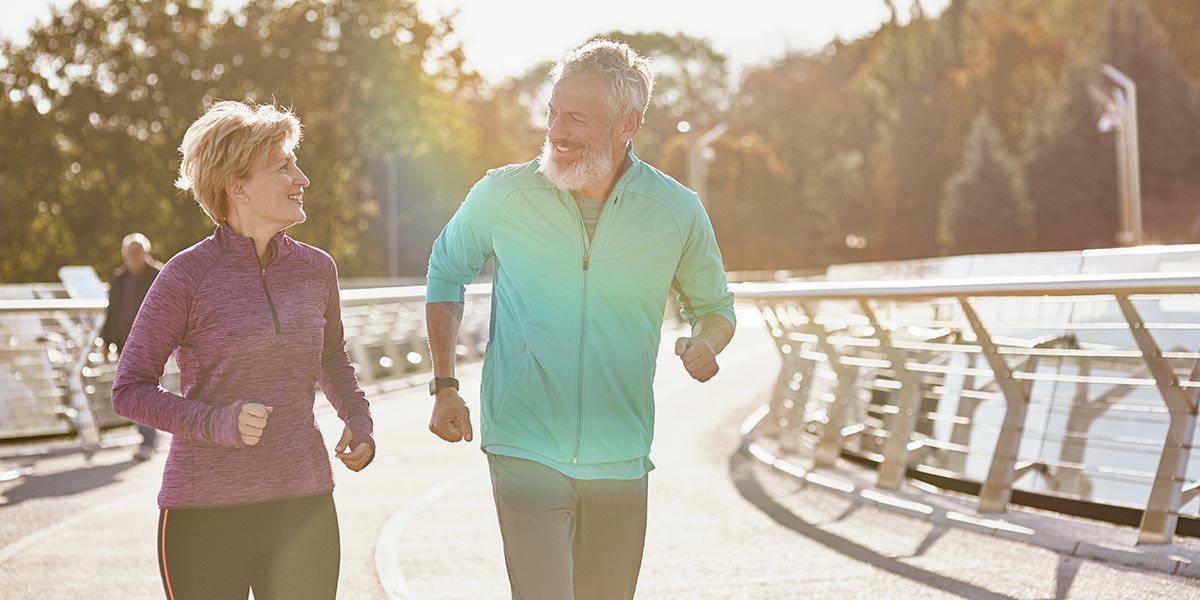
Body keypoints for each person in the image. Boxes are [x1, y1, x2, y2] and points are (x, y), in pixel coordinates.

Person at [425, 39, 736, 600]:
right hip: (523, 443)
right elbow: (445, 271)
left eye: (576, 116)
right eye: (552, 111)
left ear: (628, 123)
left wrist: (706, 342)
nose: (556, 128)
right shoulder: (504, 193)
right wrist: (445, 385)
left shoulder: (676, 210)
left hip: (621, 452)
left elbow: (714, 308)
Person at [111, 100, 375, 600]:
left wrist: (358, 421)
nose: (303, 177)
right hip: (205, 511)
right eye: (284, 166)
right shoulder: (186, 277)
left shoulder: (317, 269)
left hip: (304, 501)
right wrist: (217, 421)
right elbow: (129, 389)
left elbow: (331, 358)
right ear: (238, 186)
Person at [100, 232, 163, 461]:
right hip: (124, 345)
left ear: (147, 252)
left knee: (146, 391)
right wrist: (106, 342)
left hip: (154, 345)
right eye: (128, 253)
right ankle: (149, 437)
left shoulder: (160, 275)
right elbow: (111, 312)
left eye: (136, 252)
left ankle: (149, 440)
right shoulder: (119, 278)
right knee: (132, 392)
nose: (132, 257)